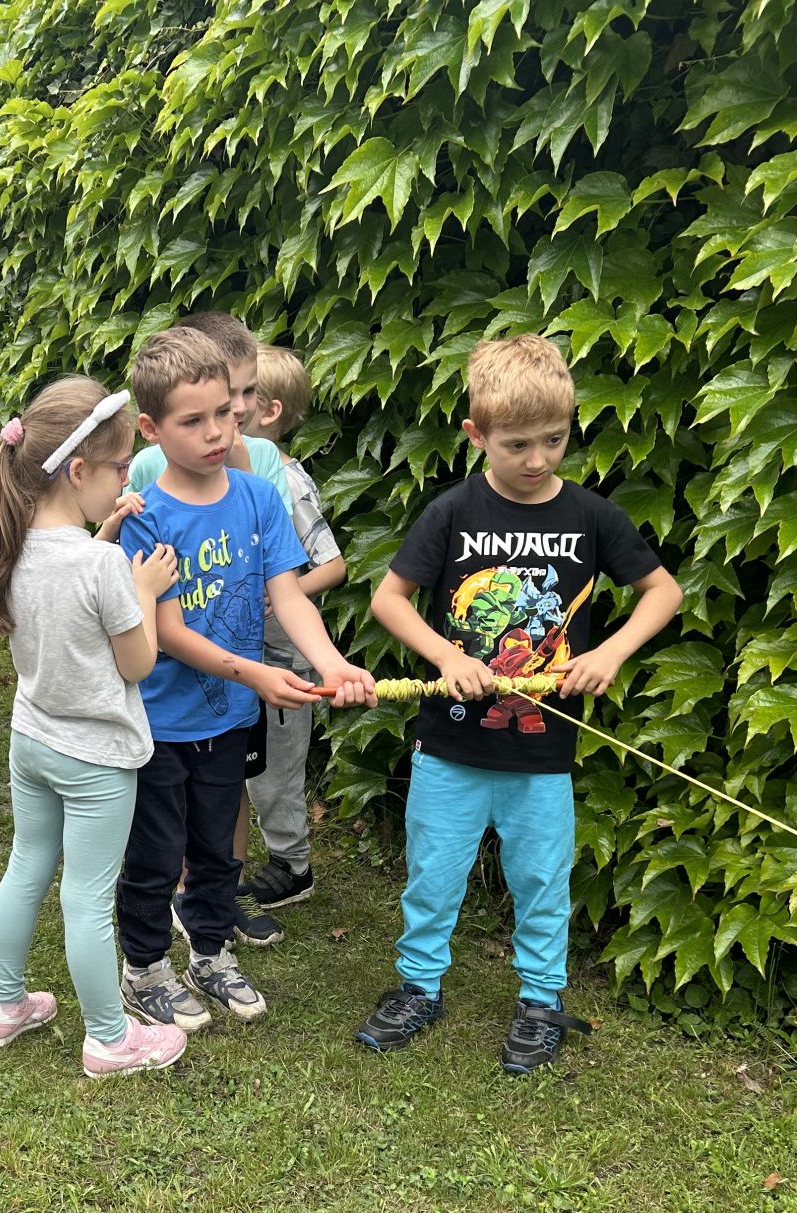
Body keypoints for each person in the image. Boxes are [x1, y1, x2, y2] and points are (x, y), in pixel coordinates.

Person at [363, 333, 682, 1075]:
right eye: (517, 445)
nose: (538, 459)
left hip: (542, 753)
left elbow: (662, 591)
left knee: (541, 880)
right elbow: (389, 600)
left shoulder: (592, 516)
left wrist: (609, 653)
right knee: (433, 874)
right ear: (476, 434)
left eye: (555, 440)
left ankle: (541, 1001)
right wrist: (449, 656)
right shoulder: (452, 511)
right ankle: (418, 988)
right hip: (451, 746)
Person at [115, 328, 376, 1033]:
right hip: (161, 724)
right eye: (192, 421)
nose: (215, 432)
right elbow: (168, 631)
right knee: (154, 855)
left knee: (217, 849)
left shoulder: (261, 498)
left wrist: (330, 663)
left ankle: (209, 954)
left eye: (225, 413)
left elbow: (289, 597)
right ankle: (145, 970)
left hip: (230, 717)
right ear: (150, 429)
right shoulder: (146, 517)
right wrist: (259, 674)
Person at [0, 377, 189, 1078]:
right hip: (96, 758)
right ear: (77, 471)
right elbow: (137, 663)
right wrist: (145, 591)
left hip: (32, 740)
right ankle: (109, 1038)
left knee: (27, 865)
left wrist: (108, 533)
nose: (127, 479)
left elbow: (68, 593)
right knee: (88, 898)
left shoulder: (14, 544)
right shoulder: (103, 567)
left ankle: (2, 1003)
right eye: (120, 467)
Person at [232, 345, 347, 941]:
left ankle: (293, 865)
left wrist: (279, 591)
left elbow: (333, 565)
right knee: (240, 764)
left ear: (268, 410)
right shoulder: (226, 476)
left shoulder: (288, 481)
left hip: (283, 655)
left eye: (238, 398)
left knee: (275, 768)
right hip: (240, 654)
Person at [125, 310, 289, 509]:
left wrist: (244, 473)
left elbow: (275, 525)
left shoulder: (265, 454)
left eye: (249, 391)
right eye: (229, 394)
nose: (239, 408)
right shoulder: (146, 465)